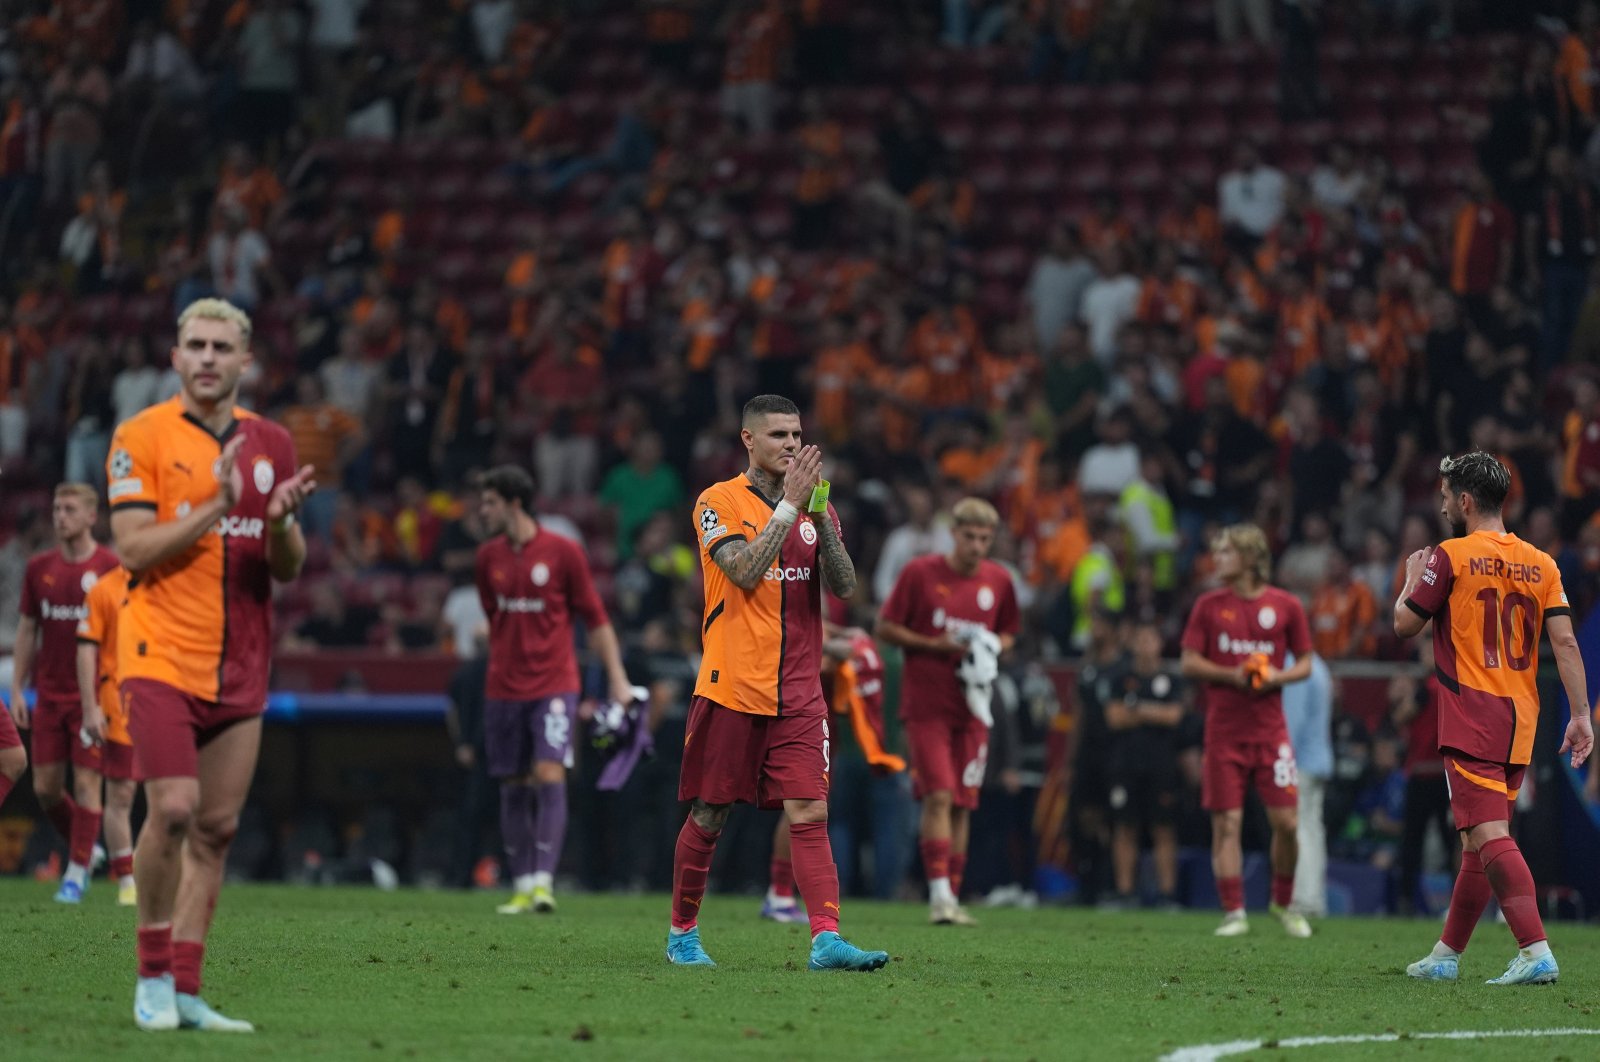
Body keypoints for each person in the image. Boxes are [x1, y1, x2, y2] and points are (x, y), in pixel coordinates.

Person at [108, 297, 315, 1032]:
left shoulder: (273, 445)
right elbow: (131, 548)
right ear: (174, 357)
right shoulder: (140, 437)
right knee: (171, 809)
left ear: (244, 360)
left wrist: (281, 521)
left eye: (221, 348)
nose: (206, 358)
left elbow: (286, 566)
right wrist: (216, 504)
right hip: (159, 652)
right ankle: (152, 977)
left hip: (244, 664)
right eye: (194, 345)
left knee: (216, 829)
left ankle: (187, 989)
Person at [668, 394, 887, 971]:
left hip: (800, 692)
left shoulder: (815, 507)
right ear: (748, 440)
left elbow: (844, 588)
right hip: (733, 686)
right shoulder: (716, 502)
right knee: (711, 812)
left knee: (810, 812)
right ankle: (683, 934)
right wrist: (788, 510)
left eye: (796, 434)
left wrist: (821, 519)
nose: (791, 444)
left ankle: (825, 939)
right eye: (778, 435)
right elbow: (741, 572)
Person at [1396, 452, 1593, 986]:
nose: (1441, 505)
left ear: (1464, 501)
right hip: (1521, 717)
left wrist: (1412, 577)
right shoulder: (1543, 563)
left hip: (1471, 711)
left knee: (1488, 832)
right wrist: (1580, 715)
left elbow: (1403, 625)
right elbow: (1567, 643)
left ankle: (1535, 949)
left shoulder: (1449, 556)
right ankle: (1445, 954)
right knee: (1475, 843)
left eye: (1444, 497)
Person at [473, 464, 637, 915]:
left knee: (549, 773)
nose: (482, 511)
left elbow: (596, 617)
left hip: (554, 684)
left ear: (513, 504)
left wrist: (618, 678)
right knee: (512, 782)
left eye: (489, 503)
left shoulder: (564, 552)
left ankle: (543, 882)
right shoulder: (487, 558)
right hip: (503, 686)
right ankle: (523, 884)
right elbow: (495, 616)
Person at [877, 497, 1020, 926]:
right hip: (926, 707)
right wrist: (933, 645)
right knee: (939, 795)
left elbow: (1009, 631)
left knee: (962, 803)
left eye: (984, 538)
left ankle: (952, 896)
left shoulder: (999, 580)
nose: (977, 546)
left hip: (974, 707)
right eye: (970, 536)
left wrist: (993, 645)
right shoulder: (920, 573)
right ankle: (938, 896)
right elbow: (884, 626)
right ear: (953, 534)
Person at [1180, 524, 1314, 938]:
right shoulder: (1207, 606)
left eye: (1225, 552)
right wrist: (1232, 675)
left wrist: (1276, 676)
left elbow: (1306, 662)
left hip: (1271, 733)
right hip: (1224, 733)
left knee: (1288, 823)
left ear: (1251, 559)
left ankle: (1282, 902)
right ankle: (1234, 911)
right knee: (1227, 823)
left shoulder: (1286, 606)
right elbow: (1188, 662)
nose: (1216, 559)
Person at [11, 482, 119, 902]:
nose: (60, 516)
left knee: (90, 783)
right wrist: (18, 688)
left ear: (92, 517)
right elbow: (27, 629)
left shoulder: (110, 567)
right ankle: (87, 847)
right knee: (46, 788)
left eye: (70, 509)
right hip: (49, 695)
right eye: (56, 508)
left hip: (92, 697)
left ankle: (75, 873)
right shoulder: (40, 568)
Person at [1103, 620, 1184, 908]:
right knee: (1125, 827)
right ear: (1133, 644)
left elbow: (1174, 717)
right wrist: (1155, 713)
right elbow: (1113, 718)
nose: (1146, 645)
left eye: (1151, 639)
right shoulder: (1119, 678)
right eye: (1141, 639)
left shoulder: (1171, 680)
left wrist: (1137, 710)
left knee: (1164, 828)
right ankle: (1126, 892)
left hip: (1161, 766)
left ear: (1160, 644)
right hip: (1125, 764)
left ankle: (1166, 894)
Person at [76, 564, 139, 906]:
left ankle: (153, 870)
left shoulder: (167, 583)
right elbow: (87, 650)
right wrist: (92, 707)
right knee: (122, 795)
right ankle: (128, 881)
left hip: (163, 700)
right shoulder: (103, 590)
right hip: (119, 704)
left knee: (172, 795)